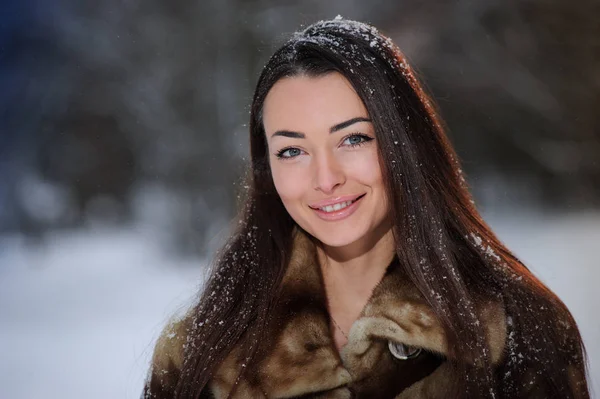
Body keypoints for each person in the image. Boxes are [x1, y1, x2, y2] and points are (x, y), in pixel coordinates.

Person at [142, 17, 589, 398]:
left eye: (353, 138)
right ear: (266, 168)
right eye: (292, 151)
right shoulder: (202, 347)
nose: (325, 178)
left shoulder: (516, 327)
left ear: (405, 143)